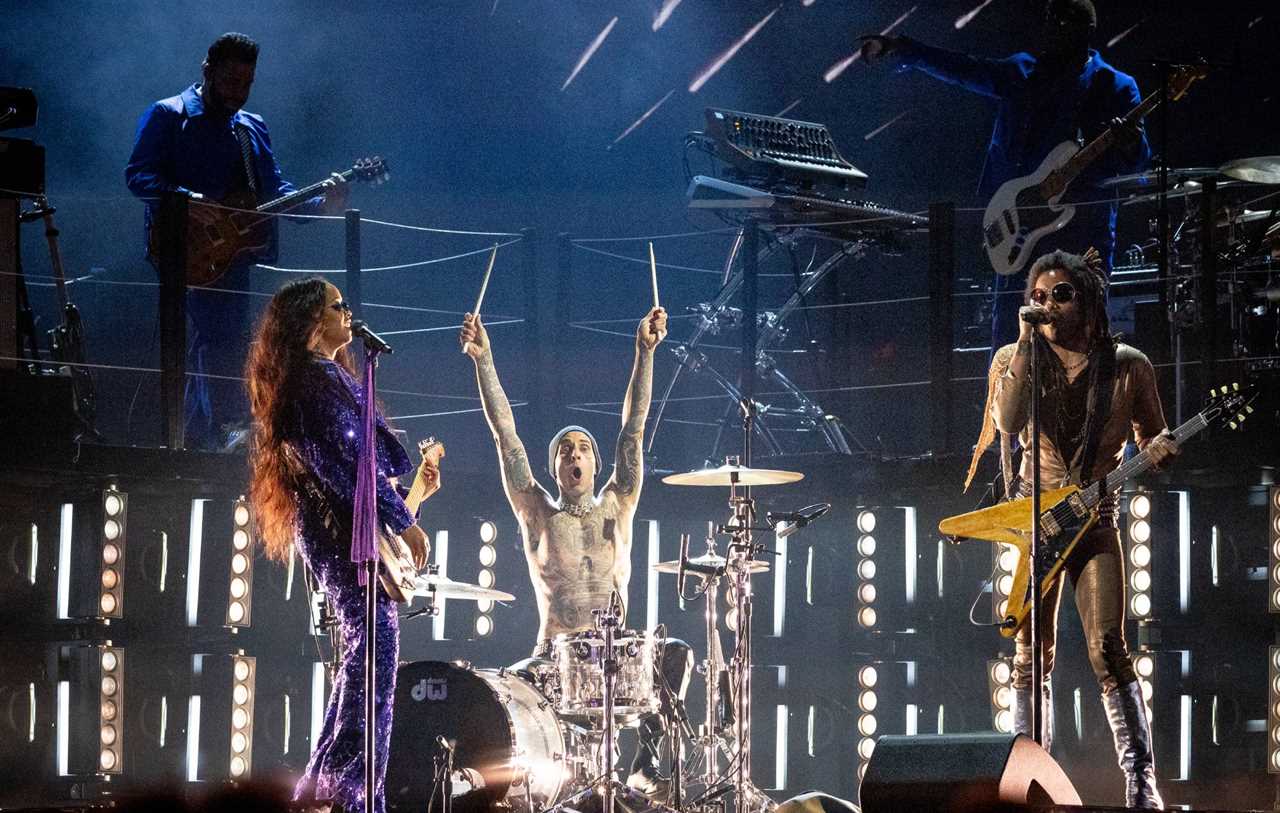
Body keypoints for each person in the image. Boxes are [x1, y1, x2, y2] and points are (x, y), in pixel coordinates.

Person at [964, 250, 1177, 809]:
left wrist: (1157, 451)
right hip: (1037, 522)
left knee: (1108, 647)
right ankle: (1027, 785)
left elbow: (1155, 439)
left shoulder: (1128, 364)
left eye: (1060, 295)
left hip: (1097, 522)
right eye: (1037, 296)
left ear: (1085, 300)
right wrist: (1025, 345)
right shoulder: (1016, 357)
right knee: (1030, 656)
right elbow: (1007, 424)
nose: (1048, 305)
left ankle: (1141, 785)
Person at [460, 306, 693, 797]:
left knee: (676, 655)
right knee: (504, 696)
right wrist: (484, 360)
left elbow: (633, 427)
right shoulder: (538, 513)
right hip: (554, 657)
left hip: (617, 656)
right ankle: (520, 793)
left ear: (594, 461)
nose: (574, 454)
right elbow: (506, 436)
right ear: (554, 467)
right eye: (565, 450)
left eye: (583, 448)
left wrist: (644, 351)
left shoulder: (618, 504)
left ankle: (646, 761)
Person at [860, 0, 1151, 351]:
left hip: (1081, 228)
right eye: (1050, 18)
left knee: (1080, 337)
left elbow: (1136, 165)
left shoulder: (1115, 85)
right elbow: (964, 68)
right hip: (1020, 222)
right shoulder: (1021, 71)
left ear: (1085, 30)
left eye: (1062, 20)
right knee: (1011, 340)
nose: (1052, 27)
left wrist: (1131, 143)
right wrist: (903, 48)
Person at [245, 278, 434, 813]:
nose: (349, 312)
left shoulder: (326, 377)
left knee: (366, 655)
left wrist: (406, 499)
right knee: (372, 652)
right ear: (311, 321)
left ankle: (326, 789)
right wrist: (402, 519)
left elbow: (365, 463)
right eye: (338, 305)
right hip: (336, 532)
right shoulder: (309, 383)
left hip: (343, 527)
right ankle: (350, 795)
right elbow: (346, 469)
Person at [126, 32, 349, 450]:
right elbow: (138, 176)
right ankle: (224, 426)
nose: (238, 92)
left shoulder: (252, 128)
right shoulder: (169, 115)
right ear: (207, 70)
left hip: (235, 254)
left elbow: (275, 192)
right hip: (186, 251)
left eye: (246, 84)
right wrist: (190, 202)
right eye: (231, 81)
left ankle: (199, 439)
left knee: (220, 338)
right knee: (218, 336)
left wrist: (322, 205)